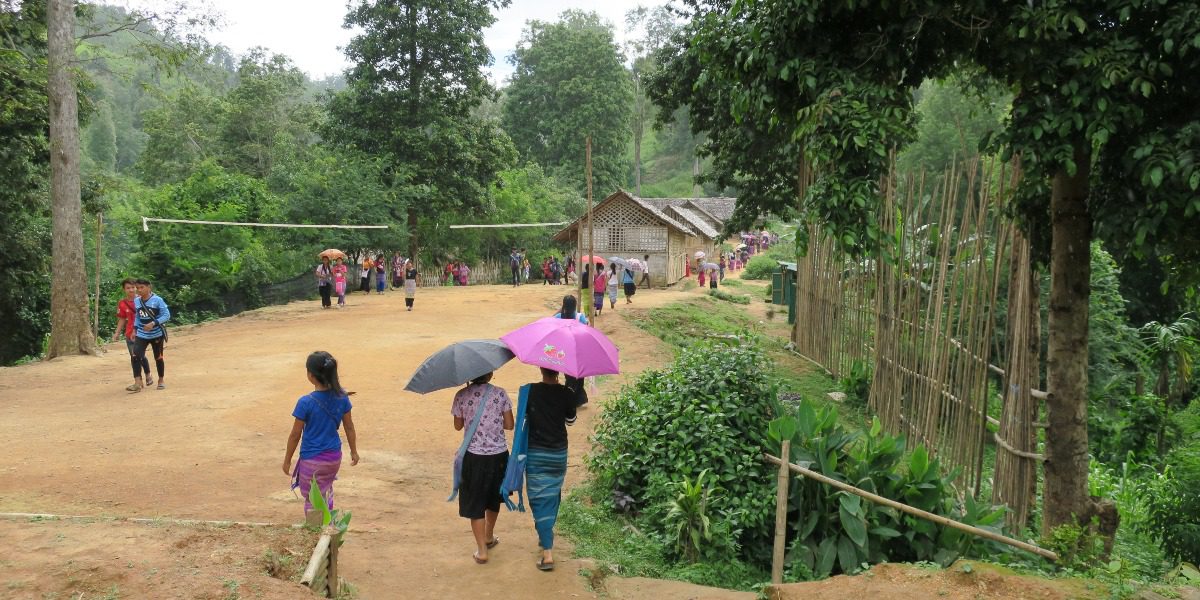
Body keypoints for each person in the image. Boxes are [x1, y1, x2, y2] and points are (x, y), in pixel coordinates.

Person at [282, 351, 359, 525]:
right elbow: (349, 427)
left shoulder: (305, 402)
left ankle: (317, 533)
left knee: (312, 499)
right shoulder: (342, 398)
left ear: (310, 375)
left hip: (312, 460)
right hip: (333, 458)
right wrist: (354, 451)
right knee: (325, 490)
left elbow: (295, 435)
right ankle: (328, 526)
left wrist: (287, 460)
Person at [450, 372, 514, 564]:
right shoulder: (500, 394)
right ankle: (489, 535)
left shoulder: (461, 395)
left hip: (473, 457)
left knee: (475, 502)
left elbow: (457, 426)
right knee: (493, 498)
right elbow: (510, 425)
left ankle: (482, 550)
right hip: (498, 455)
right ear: (491, 374)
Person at [523, 367, 577, 571]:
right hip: (558, 454)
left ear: (540, 368)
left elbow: (524, 419)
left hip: (536, 453)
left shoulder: (530, 391)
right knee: (552, 494)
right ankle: (545, 532)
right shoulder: (567, 393)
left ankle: (547, 553)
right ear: (559, 371)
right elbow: (570, 421)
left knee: (538, 498)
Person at [112, 278, 152, 392]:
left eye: (133, 287)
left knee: (139, 355)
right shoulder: (123, 304)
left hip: (143, 333)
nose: (131, 290)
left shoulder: (143, 300)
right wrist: (117, 333)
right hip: (130, 334)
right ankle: (138, 382)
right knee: (134, 356)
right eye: (128, 288)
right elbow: (122, 319)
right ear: (124, 290)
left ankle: (147, 374)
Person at [131, 279, 170, 391]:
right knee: (135, 354)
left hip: (156, 333)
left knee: (158, 357)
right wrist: (135, 329)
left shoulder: (158, 300)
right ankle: (138, 382)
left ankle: (161, 380)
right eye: (137, 288)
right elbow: (138, 316)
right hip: (142, 333)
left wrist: (153, 323)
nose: (139, 290)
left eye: (142, 287)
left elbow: (166, 315)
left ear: (149, 287)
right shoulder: (137, 301)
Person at [553, 296, 589, 407]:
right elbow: (585, 331)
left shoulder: (558, 317)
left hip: (564, 352)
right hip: (578, 351)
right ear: (575, 306)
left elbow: (550, 325)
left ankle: (571, 398)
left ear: (563, 305)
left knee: (569, 376)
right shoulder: (580, 317)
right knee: (579, 376)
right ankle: (577, 399)